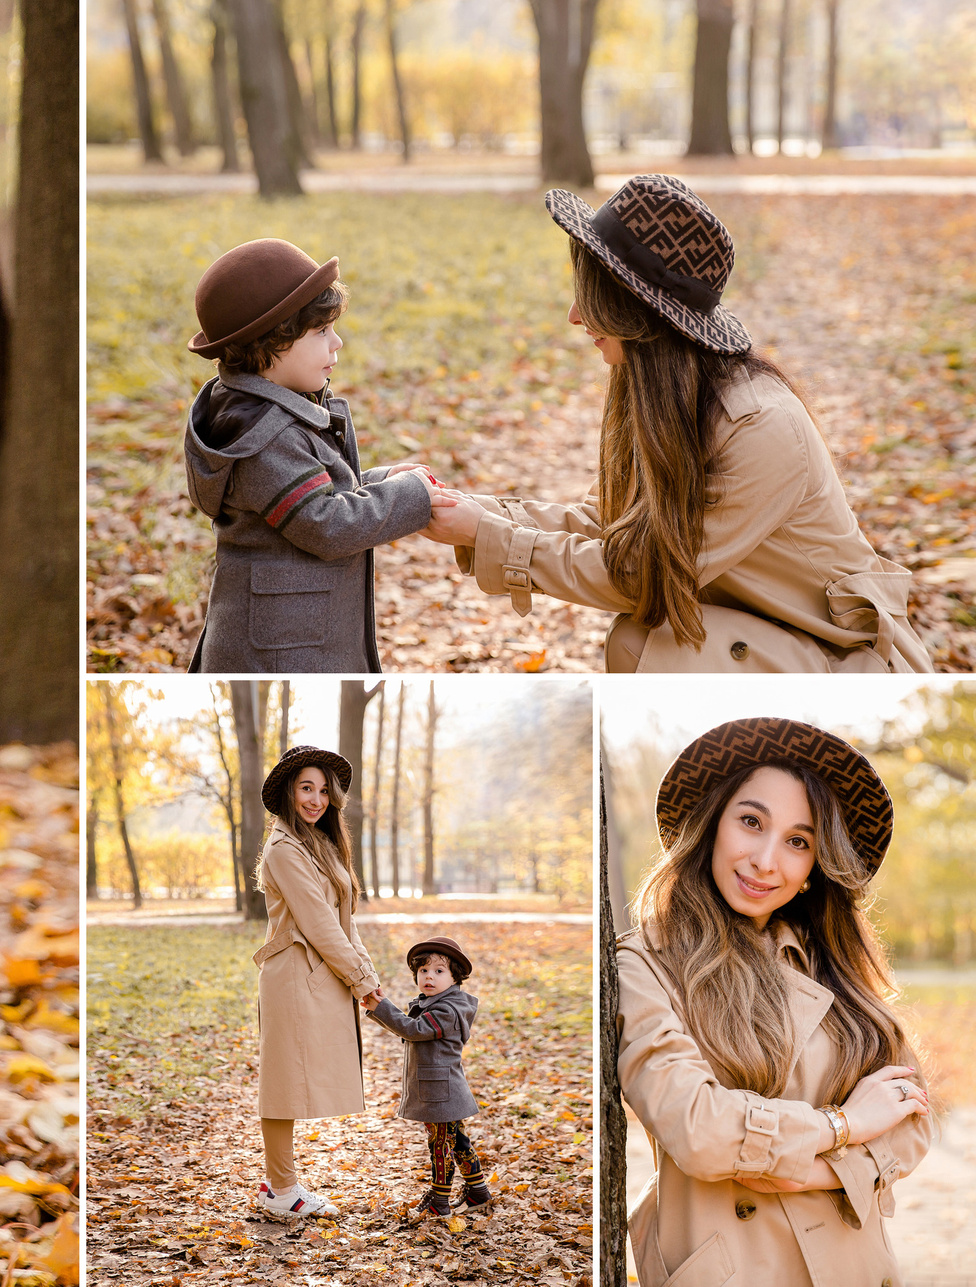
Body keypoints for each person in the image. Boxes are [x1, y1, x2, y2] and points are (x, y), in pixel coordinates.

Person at [419, 175, 931, 672]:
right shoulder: (663, 395)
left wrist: (491, 535)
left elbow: (649, 579)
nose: (575, 316)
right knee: (641, 640)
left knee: (641, 644)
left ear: (637, 310)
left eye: (592, 296)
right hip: (768, 632)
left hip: (843, 658)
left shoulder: (760, 429)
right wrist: (463, 509)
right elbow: (608, 525)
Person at [617, 717, 933, 1287]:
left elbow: (909, 1116)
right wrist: (843, 1125)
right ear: (711, 824)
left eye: (797, 841)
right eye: (750, 822)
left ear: (816, 866)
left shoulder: (831, 961)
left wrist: (813, 1174)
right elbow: (698, 1128)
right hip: (729, 1267)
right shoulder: (644, 963)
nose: (766, 859)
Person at [179, 237, 443, 672]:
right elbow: (328, 524)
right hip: (283, 651)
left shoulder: (265, 411)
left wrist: (384, 479)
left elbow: (311, 495)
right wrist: (412, 495)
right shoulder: (265, 437)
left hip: (295, 636)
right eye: (321, 331)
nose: (336, 343)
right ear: (270, 343)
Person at [249, 745, 382, 1220]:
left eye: (324, 790)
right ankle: (282, 1190)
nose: (317, 798)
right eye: (307, 787)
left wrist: (367, 976)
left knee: (288, 1080)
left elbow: (345, 921)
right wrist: (359, 978)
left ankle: (280, 1184)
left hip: (317, 974)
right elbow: (319, 923)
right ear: (288, 791)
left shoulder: (319, 844)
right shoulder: (284, 849)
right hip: (292, 976)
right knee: (281, 1083)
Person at [364, 936, 490, 1217]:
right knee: (456, 1140)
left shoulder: (448, 1009)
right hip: (439, 1089)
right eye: (423, 971)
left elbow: (413, 1030)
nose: (429, 977)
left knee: (441, 1145)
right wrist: (382, 1007)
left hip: (440, 1092)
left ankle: (439, 1200)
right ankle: (478, 1190)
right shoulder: (436, 1003)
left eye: (439, 971)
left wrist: (381, 1007)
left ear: (455, 977)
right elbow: (411, 1029)